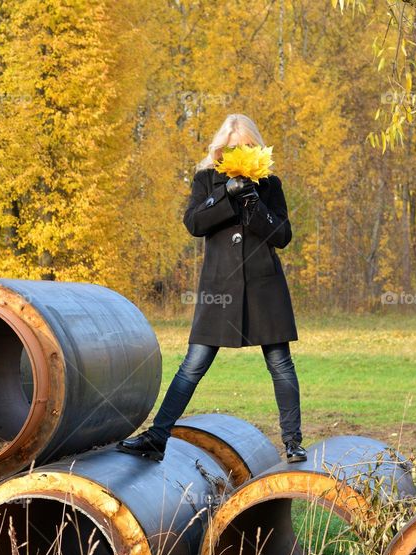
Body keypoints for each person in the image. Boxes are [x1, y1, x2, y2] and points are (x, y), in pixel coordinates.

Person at [118, 113, 307, 463]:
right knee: (193, 364)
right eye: (230, 147)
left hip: (264, 288)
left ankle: (293, 442)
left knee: (281, 364)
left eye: (246, 146)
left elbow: (281, 237)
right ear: (220, 149)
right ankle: (157, 437)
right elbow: (194, 223)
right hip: (219, 288)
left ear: (256, 147)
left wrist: (253, 202)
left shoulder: (270, 184)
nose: (238, 152)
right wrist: (225, 194)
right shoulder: (206, 179)